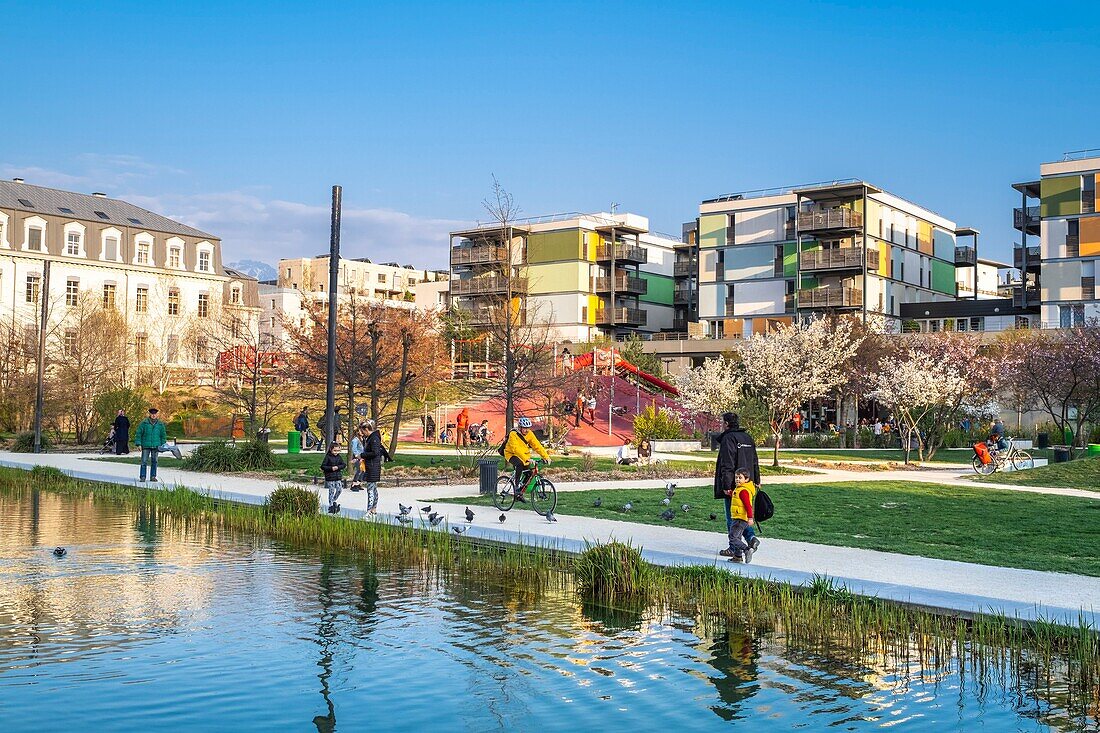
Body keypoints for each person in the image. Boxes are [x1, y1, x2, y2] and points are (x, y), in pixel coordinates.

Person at [713, 412, 761, 563]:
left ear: (726, 423)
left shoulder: (729, 438)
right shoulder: (747, 438)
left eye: (723, 422)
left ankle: (735, 550)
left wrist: (727, 485)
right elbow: (755, 461)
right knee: (743, 515)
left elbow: (727, 464)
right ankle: (751, 539)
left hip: (735, 485)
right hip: (748, 483)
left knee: (733, 517)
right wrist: (757, 480)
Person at [502, 417, 550, 501]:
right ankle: (516, 487)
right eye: (524, 428)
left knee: (530, 474)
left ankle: (520, 492)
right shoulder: (513, 434)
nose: (526, 430)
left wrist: (546, 457)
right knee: (519, 464)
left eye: (528, 428)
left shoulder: (530, 434)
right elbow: (515, 449)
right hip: (511, 454)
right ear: (520, 427)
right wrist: (526, 459)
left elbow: (537, 446)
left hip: (524, 456)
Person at [360, 419, 391, 515]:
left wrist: (362, 455)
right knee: (373, 488)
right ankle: (373, 508)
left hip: (372, 466)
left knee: (370, 489)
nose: (362, 433)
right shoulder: (372, 438)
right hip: (372, 466)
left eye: (362, 431)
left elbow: (375, 453)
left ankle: (369, 510)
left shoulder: (374, 439)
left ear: (366, 429)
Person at [135, 408, 167, 482]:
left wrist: (163, 444)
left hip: (156, 446)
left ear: (157, 414)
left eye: (155, 414)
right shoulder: (144, 423)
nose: (153, 415)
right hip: (146, 445)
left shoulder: (160, 424)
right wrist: (138, 444)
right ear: (150, 414)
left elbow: (163, 435)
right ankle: (142, 476)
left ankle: (153, 476)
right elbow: (138, 434)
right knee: (144, 461)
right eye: (152, 414)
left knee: (154, 461)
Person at [320, 443, 346, 514]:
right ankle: (331, 505)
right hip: (330, 477)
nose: (336, 452)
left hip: (337, 476)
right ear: (331, 450)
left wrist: (338, 467)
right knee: (331, 491)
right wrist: (331, 468)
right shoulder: (328, 457)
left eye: (338, 451)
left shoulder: (339, 457)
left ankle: (334, 500)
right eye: (335, 451)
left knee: (339, 489)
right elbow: (323, 466)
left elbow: (343, 464)